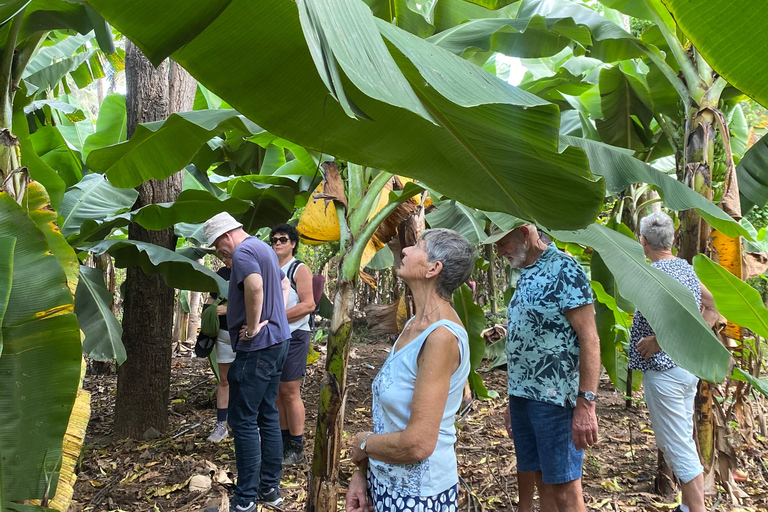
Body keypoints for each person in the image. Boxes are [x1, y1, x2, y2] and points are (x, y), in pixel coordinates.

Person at [346, 228, 475, 512]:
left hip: (419, 497)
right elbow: (392, 420)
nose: (405, 250)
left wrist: (363, 443)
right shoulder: (414, 324)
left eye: (417, 246)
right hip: (385, 483)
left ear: (433, 268)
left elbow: (418, 444)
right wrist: (362, 474)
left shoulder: (441, 337)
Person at [489, 224, 600, 512]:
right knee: (542, 481)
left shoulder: (565, 270)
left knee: (565, 489)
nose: (499, 252)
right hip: (524, 398)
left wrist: (586, 403)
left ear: (525, 234)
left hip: (556, 399)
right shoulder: (525, 273)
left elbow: (589, 338)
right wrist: (513, 399)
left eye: (503, 243)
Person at [629, 212, 718, 512]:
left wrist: (658, 342)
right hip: (686, 368)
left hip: (665, 373)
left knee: (678, 448)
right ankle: (686, 507)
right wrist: (690, 340)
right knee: (679, 442)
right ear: (673, 240)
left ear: (643, 242)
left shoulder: (653, 276)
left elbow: (675, 320)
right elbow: (712, 306)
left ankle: (696, 509)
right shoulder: (685, 269)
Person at [203, 212, 292, 512]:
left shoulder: (243, 252)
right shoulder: (263, 248)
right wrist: (272, 316)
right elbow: (282, 285)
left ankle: (245, 501)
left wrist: (253, 326)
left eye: (217, 246)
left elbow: (255, 286)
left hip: (258, 348)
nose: (220, 252)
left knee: (242, 421)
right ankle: (270, 490)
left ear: (226, 235)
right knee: (267, 414)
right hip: (279, 341)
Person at [269, 223, 316, 465]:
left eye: (283, 239)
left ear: (293, 243)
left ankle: (296, 446)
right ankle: (283, 442)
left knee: (290, 391)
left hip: (295, 335)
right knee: (277, 391)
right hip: (274, 337)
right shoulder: (269, 268)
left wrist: (275, 316)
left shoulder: (298, 269)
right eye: (274, 239)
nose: (278, 243)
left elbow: (309, 305)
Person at [207, 255, 236, 443]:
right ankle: (220, 425)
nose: (224, 259)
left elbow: (259, 301)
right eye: (222, 256)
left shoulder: (251, 271)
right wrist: (208, 311)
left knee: (247, 381)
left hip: (245, 336)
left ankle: (253, 425)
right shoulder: (222, 273)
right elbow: (212, 297)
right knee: (224, 381)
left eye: (227, 255)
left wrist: (229, 309)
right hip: (223, 334)